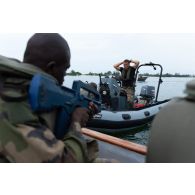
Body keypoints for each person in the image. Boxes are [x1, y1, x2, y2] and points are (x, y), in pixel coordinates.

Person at [0, 33, 99, 163]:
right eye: (64, 70)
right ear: (51, 68)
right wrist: (76, 123)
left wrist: (78, 115)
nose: (63, 79)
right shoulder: (13, 98)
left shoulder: (17, 84)